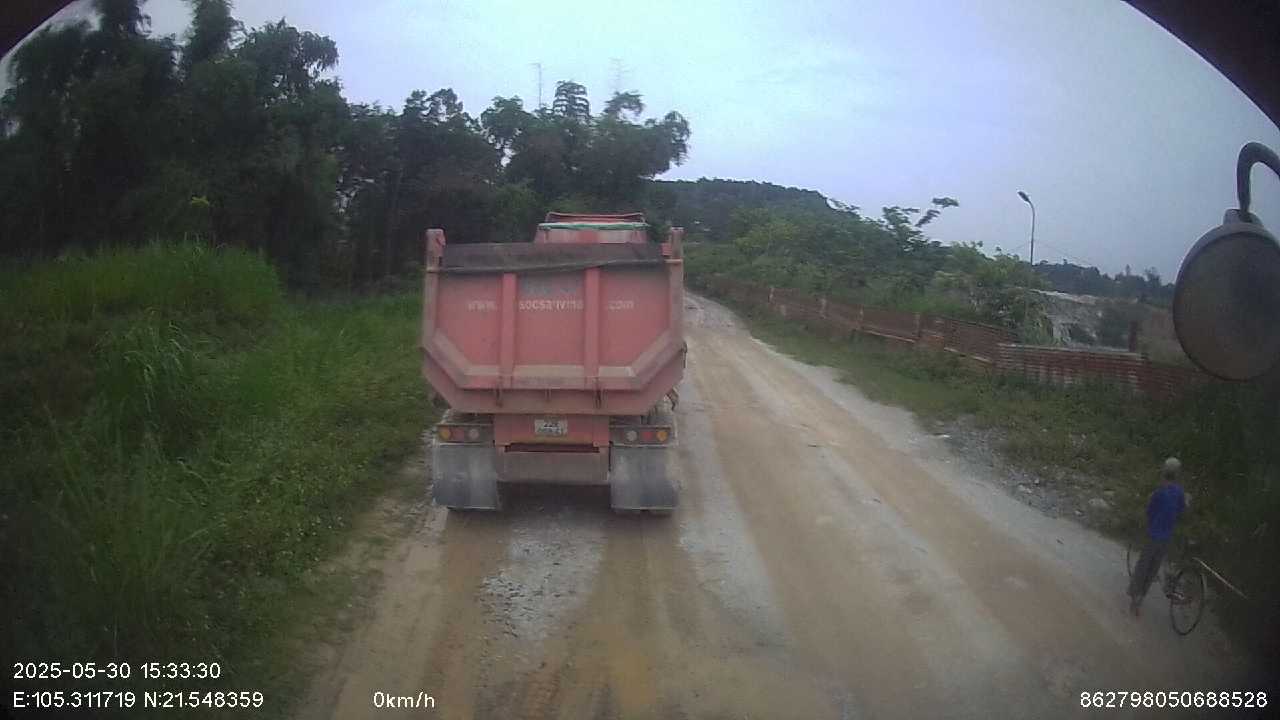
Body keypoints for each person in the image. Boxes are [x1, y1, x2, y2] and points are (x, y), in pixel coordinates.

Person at [1128, 457, 1188, 616]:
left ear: (1164, 472)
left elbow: (1149, 512)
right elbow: (1181, 511)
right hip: (1166, 537)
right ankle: (1141, 597)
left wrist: (1146, 524)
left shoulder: (1159, 492)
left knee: (1143, 566)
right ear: (1177, 474)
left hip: (1153, 534)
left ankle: (1135, 596)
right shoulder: (1179, 492)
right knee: (1153, 568)